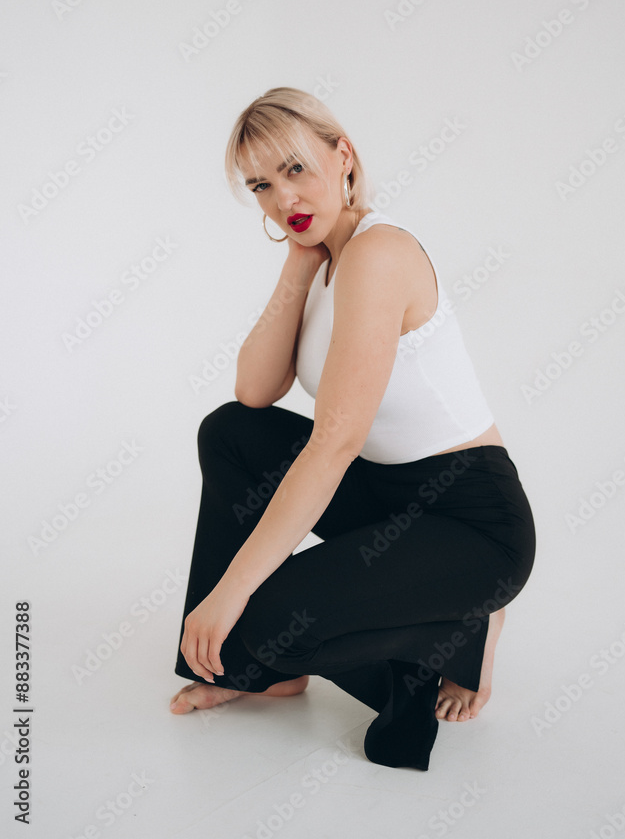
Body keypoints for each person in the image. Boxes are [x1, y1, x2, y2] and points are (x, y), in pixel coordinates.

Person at [169, 87, 536, 771]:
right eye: (260, 185)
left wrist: (232, 590)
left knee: (260, 623)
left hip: (471, 523)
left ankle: (460, 633)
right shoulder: (326, 257)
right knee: (228, 433)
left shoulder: (378, 254)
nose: (282, 199)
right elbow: (253, 391)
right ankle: (257, 671)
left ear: (344, 157)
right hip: (391, 498)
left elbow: (334, 441)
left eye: (295, 170)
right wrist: (299, 257)